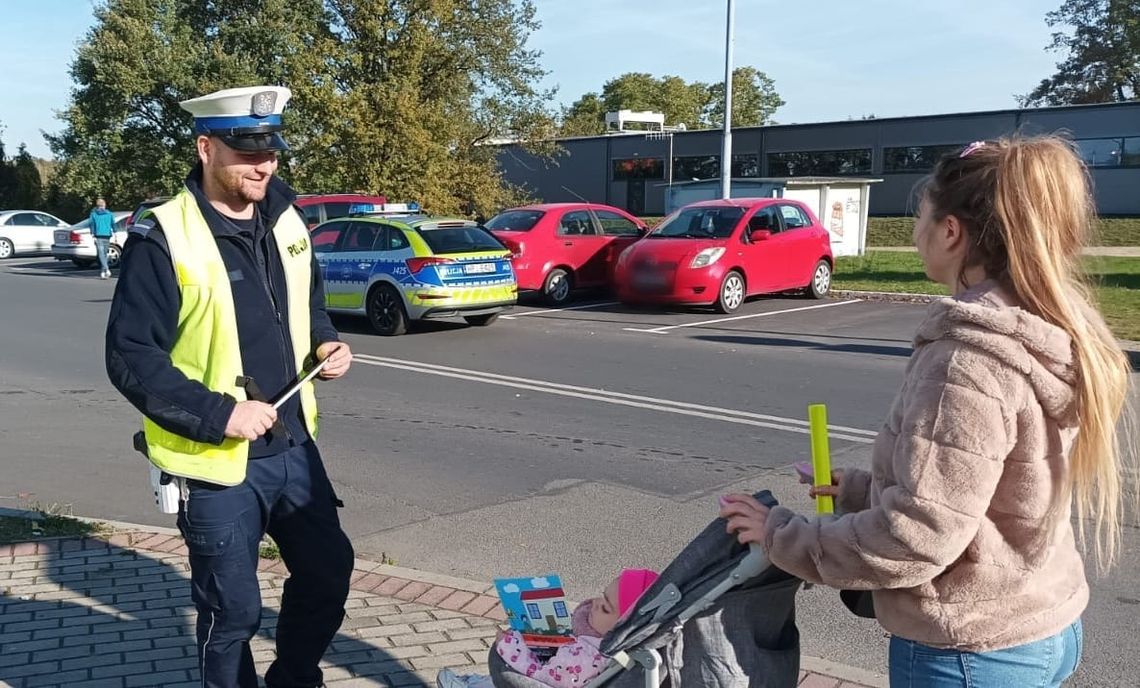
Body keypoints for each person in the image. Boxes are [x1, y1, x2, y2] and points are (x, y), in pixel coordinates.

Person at [721, 135, 1135, 688]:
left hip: (968, 649)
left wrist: (780, 534)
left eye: (921, 217)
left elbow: (916, 537)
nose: (918, 234)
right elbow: (989, 498)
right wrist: (864, 491)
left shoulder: (966, 357)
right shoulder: (1047, 328)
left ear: (950, 231)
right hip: (1042, 623)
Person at [105, 85, 355, 688]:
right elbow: (130, 356)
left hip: (293, 446)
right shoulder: (164, 236)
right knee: (234, 612)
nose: (263, 164)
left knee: (328, 573)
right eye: (246, 151)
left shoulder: (287, 219)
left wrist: (325, 341)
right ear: (206, 147)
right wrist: (222, 414)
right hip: (215, 463)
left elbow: (310, 304)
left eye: (269, 150)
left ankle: (293, 679)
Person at [437, 568, 660, 688]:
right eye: (602, 596)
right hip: (557, 661)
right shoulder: (600, 639)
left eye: (606, 608)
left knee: (503, 662)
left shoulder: (588, 656)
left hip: (547, 676)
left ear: (623, 626)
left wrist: (509, 646)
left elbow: (546, 676)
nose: (595, 603)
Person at [89, 197, 116, 278]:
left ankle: (106, 269)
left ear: (97, 206)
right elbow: (113, 224)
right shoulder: (110, 214)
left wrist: (92, 234)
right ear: (104, 205)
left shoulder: (93, 214)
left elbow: (91, 224)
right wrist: (115, 233)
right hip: (107, 235)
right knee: (104, 254)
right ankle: (103, 271)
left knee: (101, 254)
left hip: (98, 235)